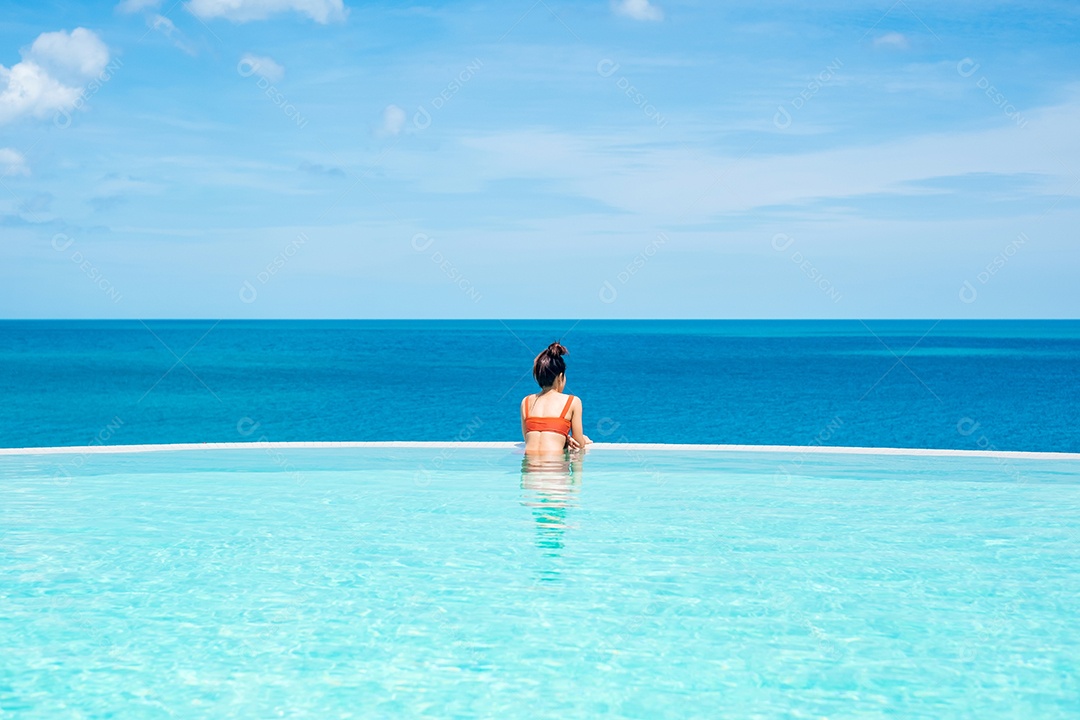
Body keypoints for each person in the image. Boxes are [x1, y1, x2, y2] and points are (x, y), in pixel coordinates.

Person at [521, 342, 591, 455]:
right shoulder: (573, 401)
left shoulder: (526, 402)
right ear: (560, 377)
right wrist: (583, 440)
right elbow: (578, 444)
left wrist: (561, 439)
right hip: (555, 469)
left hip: (530, 470)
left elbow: (528, 439)